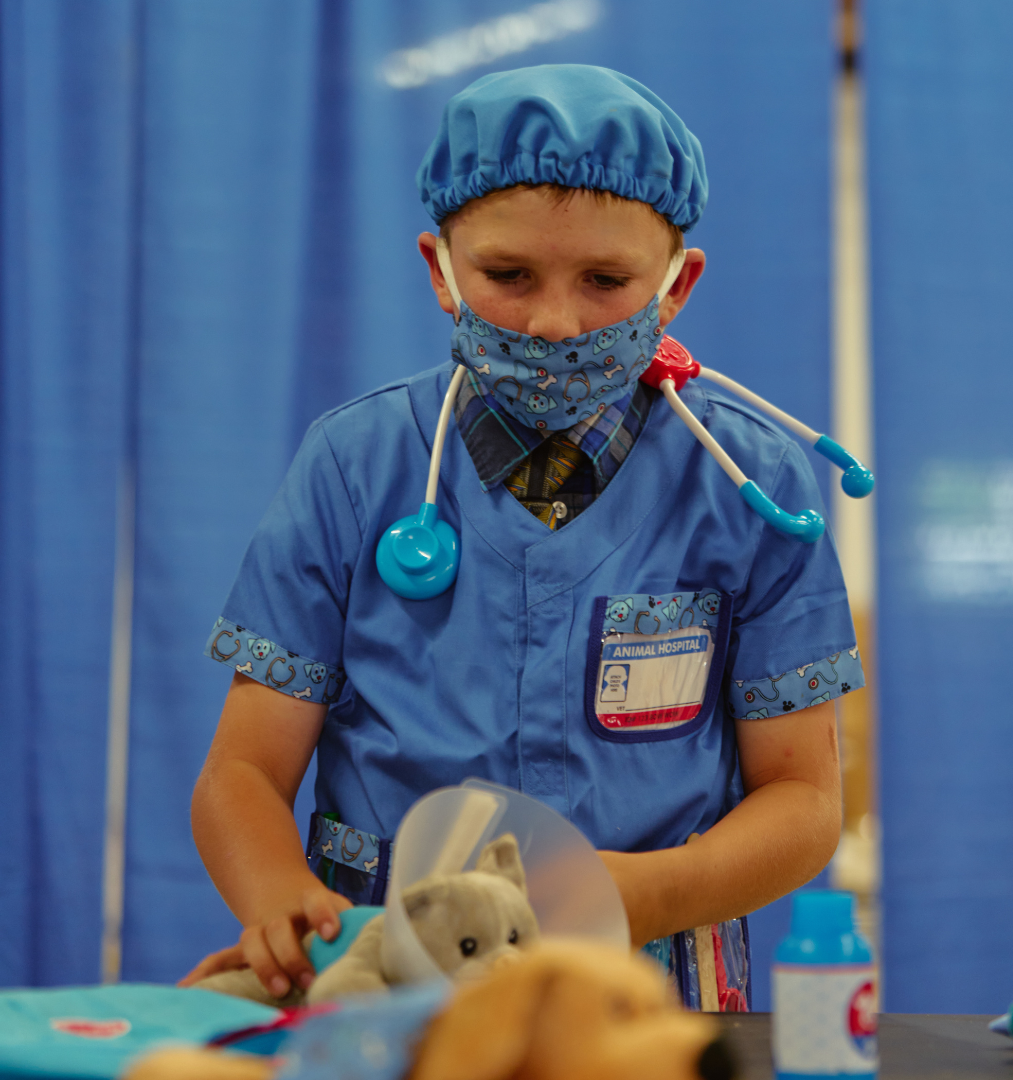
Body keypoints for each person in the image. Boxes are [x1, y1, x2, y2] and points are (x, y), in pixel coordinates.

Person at [182, 65, 862, 1005]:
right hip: (390, 968)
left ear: (676, 288)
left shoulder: (752, 488)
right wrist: (285, 907)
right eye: (507, 276)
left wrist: (640, 894)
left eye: (606, 281)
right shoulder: (355, 465)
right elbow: (244, 773)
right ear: (440, 271)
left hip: (647, 982)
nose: (552, 322)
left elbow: (804, 803)